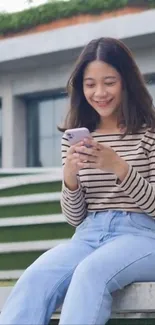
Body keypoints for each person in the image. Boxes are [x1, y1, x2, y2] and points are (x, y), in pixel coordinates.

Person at [0, 37, 155, 325]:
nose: (99, 92)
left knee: (90, 272)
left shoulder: (149, 133)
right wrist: (70, 180)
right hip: (88, 235)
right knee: (36, 277)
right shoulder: (75, 138)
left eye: (109, 82)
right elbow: (75, 218)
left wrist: (120, 168)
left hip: (143, 236)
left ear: (126, 82)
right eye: (90, 84)